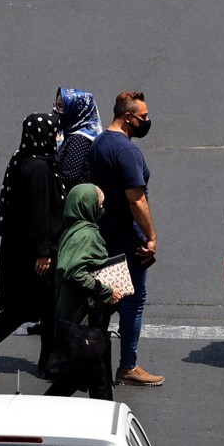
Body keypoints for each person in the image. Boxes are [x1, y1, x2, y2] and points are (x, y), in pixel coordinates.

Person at [0, 114, 65, 371]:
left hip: (27, 249)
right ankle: (50, 362)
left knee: (33, 304)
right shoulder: (39, 169)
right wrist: (44, 252)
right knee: (49, 306)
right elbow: (39, 213)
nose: (57, 137)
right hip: (39, 252)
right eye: (55, 132)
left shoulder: (27, 160)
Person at [87, 91, 163, 387]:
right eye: (143, 117)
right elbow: (137, 200)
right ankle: (128, 366)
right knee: (133, 300)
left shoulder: (100, 142)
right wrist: (151, 236)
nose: (146, 121)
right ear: (128, 117)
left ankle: (92, 357)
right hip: (127, 237)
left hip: (105, 234)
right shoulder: (127, 151)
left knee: (108, 299)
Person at [45, 184, 123, 399]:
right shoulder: (86, 235)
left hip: (71, 312)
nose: (101, 210)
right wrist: (106, 292)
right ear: (86, 206)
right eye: (99, 205)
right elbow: (73, 271)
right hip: (82, 319)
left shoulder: (72, 230)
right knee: (94, 372)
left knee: (78, 376)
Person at [53, 87, 102, 188]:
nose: (56, 111)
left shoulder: (78, 139)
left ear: (75, 111)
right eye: (56, 106)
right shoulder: (69, 134)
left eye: (61, 107)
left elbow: (68, 177)